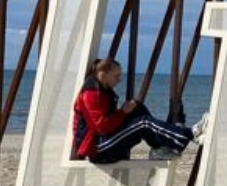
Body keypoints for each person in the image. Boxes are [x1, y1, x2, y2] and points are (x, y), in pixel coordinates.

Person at [71, 57, 203, 164]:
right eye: (116, 76)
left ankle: (159, 147)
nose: (119, 80)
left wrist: (126, 111)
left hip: (104, 141)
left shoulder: (102, 89)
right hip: (98, 149)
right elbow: (101, 127)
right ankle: (190, 134)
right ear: (104, 74)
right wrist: (122, 112)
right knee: (143, 123)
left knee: (137, 107)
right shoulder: (91, 93)